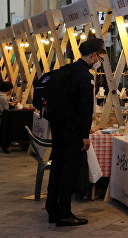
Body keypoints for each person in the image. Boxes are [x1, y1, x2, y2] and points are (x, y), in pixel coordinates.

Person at [46, 38, 106, 227]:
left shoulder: (67, 71)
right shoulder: (84, 75)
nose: (101, 60)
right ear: (93, 55)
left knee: (57, 168)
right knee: (69, 173)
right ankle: (64, 213)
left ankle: (53, 209)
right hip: (73, 132)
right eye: (101, 56)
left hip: (58, 129)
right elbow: (85, 109)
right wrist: (85, 135)